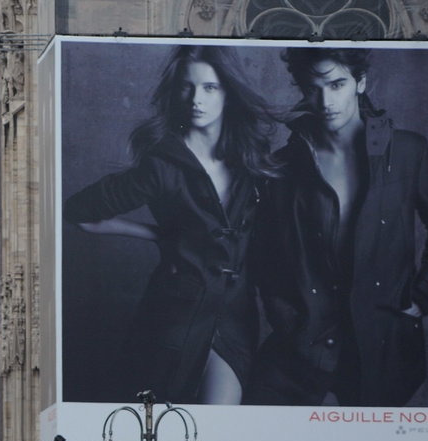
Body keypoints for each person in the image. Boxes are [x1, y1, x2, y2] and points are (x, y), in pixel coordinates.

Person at [247, 47, 428, 407]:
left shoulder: (408, 152)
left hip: (382, 338)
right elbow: (264, 253)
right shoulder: (283, 167)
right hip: (305, 342)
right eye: (313, 88)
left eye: (337, 85)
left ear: (360, 83)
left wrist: (424, 294)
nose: (325, 100)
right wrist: (286, 319)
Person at [65, 45, 275, 404]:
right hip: (174, 314)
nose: (197, 99)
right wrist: (155, 234)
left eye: (210, 88)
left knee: (218, 432)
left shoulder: (251, 159)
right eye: (187, 87)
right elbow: (78, 212)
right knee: (162, 430)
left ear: (228, 91)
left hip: (235, 316)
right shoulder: (161, 164)